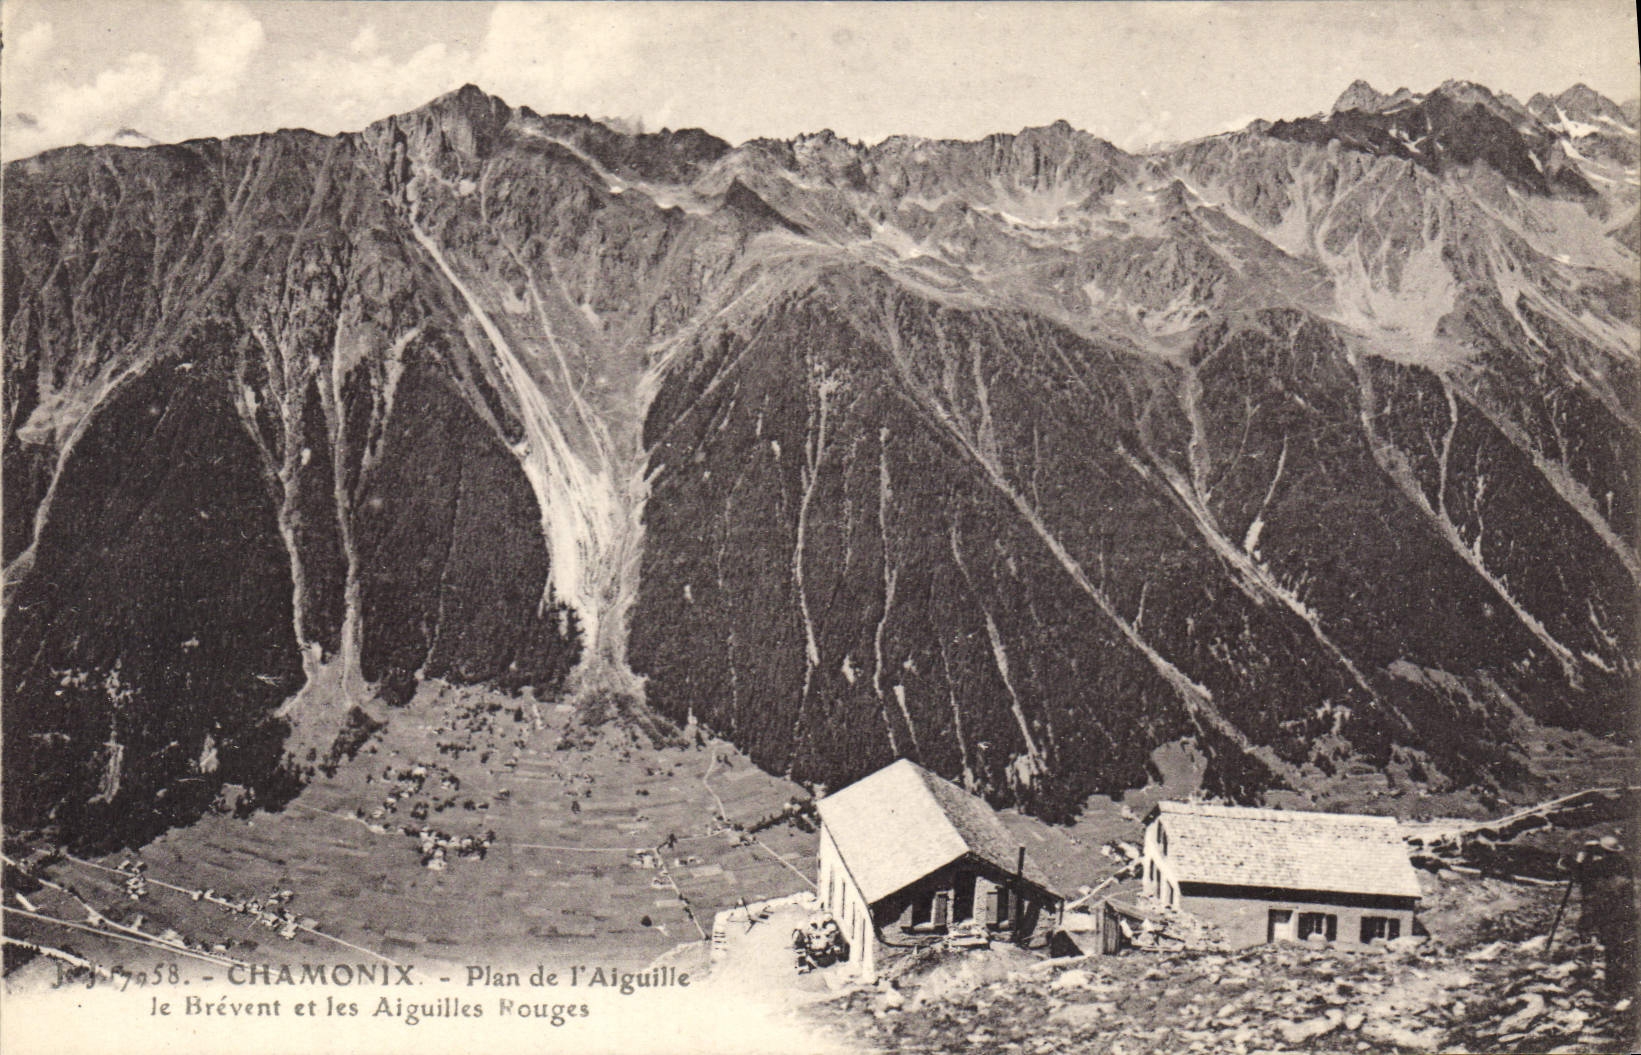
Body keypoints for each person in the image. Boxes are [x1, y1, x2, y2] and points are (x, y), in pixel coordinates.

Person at [1572, 835, 1635, 999]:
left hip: (1600, 911)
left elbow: (1579, 876)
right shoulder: (1624, 865)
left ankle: (1594, 978)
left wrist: (1581, 859)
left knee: (1593, 941)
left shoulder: (1600, 865)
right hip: (1619, 914)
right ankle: (1612, 985)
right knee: (1614, 949)